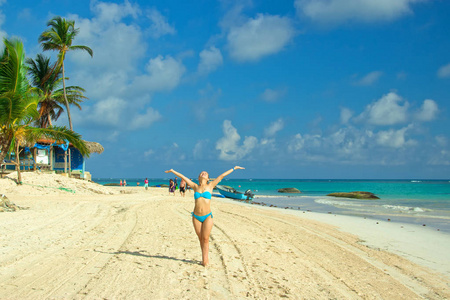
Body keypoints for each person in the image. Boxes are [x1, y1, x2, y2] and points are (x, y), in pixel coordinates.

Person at [165, 166, 245, 266]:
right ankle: (203, 259)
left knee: (206, 238)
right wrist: (172, 171)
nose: (203, 173)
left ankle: (205, 261)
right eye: (201, 173)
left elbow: (222, 176)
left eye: (205, 173)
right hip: (196, 217)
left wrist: (234, 168)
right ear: (199, 177)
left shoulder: (211, 185)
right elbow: (183, 177)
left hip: (207, 216)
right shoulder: (195, 186)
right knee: (201, 239)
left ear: (208, 178)